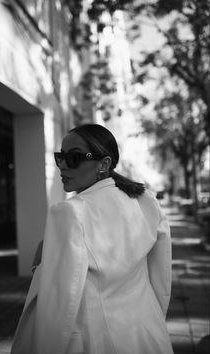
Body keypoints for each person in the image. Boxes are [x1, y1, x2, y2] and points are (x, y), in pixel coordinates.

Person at [11, 124, 174, 354]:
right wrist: (156, 317)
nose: (63, 165)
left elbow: (56, 307)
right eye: (61, 157)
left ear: (104, 164)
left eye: (74, 157)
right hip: (148, 334)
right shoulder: (146, 202)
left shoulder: (69, 212)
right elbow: (161, 278)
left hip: (95, 339)